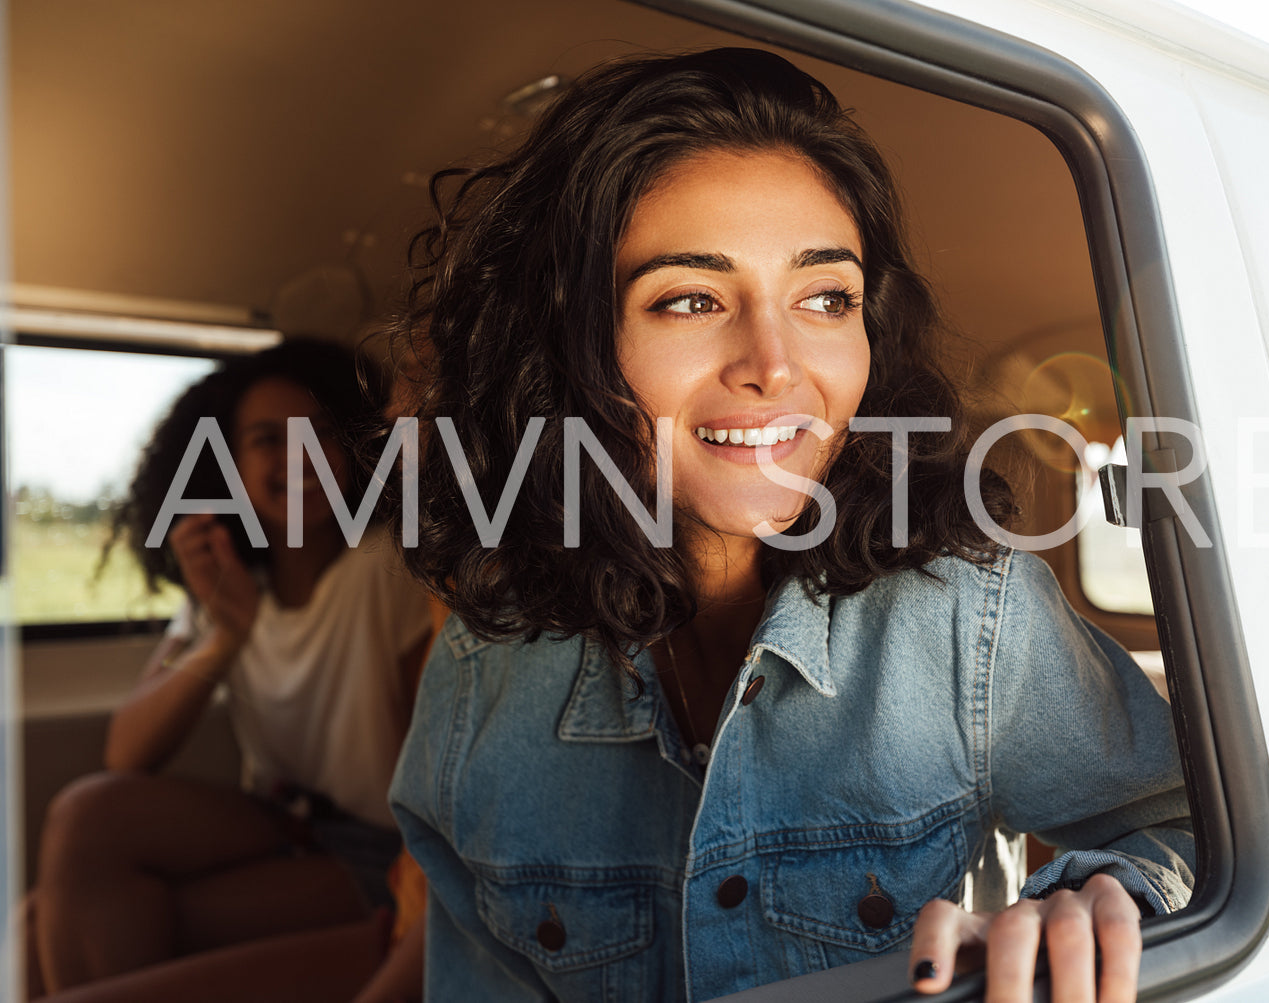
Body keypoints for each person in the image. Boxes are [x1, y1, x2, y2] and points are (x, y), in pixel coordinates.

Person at [386, 47, 1193, 1003]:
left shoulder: (969, 614)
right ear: (571, 348)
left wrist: (1095, 896)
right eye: (690, 298)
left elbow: (1187, 826)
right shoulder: (483, 667)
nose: (774, 363)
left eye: (824, 298)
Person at [30, 341, 434, 1001]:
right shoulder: (230, 585)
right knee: (85, 814)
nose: (296, 456)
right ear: (230, 466)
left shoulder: (384, 568)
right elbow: (125, 753)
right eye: (265, 440)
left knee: (39, 921)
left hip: (372, 843)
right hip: (280, 821)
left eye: (320, 433)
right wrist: (224, 636)